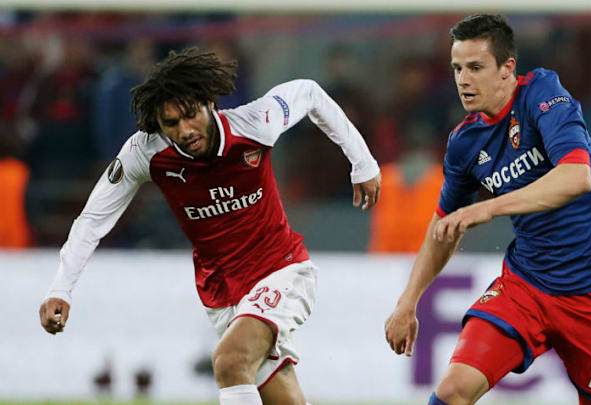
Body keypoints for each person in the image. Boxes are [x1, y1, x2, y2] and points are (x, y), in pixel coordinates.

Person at [38, 47, 381, 405]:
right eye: (171, 124)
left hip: (280, 270)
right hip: (222, 293)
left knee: (229, 361)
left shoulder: (256, 122)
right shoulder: (145, 152)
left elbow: (309, 92)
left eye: (190, 115)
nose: (184, 131)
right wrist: (61, 287)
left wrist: (363, 163)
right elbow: (94, 217)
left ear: (208, 104)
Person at [384, 14, 591, 405]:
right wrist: (408, 302)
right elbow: (443, 225)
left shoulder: (543, 95)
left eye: (475, 67)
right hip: (527, 287)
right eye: (457, 68)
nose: (463, 79)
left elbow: (576, 177)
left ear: (507, 69)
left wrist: (487, 210)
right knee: (453, 391)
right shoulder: (464, 144)